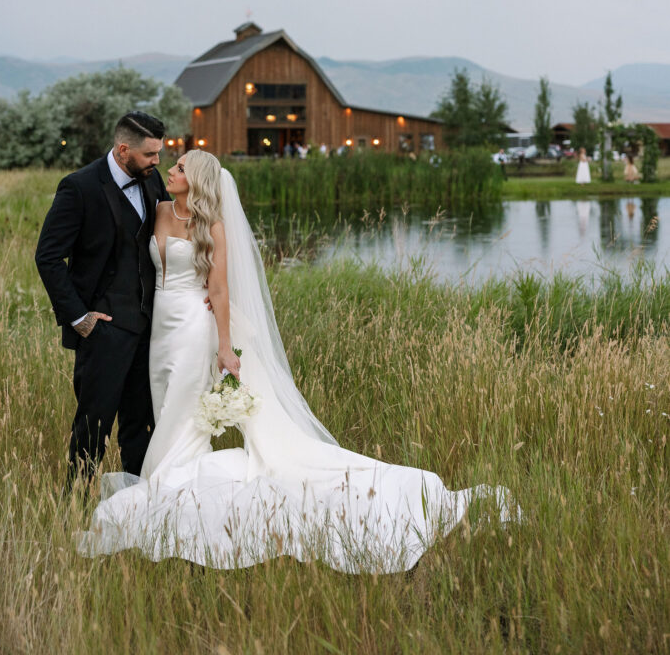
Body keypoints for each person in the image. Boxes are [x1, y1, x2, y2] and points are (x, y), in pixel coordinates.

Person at [77, 150, 515, 572]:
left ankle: (168, 484)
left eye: (179, 167)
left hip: (194, 327)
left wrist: (225, 346)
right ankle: (166, 478)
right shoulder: (158, 210)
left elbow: (220, 291)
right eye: (172, 164)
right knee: (164, 403)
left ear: (199, 181)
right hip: (161, 331)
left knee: (182, 413)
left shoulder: (214, 225)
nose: (169, 169)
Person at [35, 111, 170, 488]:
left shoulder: (152, 179)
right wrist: (78, 317)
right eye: (150, 155)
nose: (157, 162)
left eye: (159, 154)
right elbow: (48, 256)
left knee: (141, 425)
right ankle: (74, 507)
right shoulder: (78, 187)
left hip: (149, 328)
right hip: (103, 330)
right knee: (93, 426)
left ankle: (138, 509)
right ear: (124, 149)